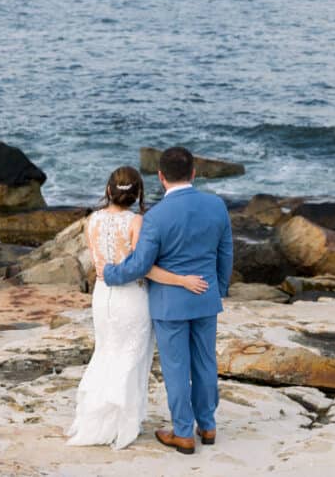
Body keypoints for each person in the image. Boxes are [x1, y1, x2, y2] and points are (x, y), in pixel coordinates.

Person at [66, 165, 208, 450]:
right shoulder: (137, 222)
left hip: (103, 295)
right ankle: (123, 425)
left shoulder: (91, 220)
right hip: (131, 298)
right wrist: (182, 280)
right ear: (138, 194)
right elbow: (144, 270)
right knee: (130, 359)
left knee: (106, 352)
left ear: (108, 191)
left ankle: (97, 421)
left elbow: (101, 264)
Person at [102, 147, 233, 455]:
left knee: (176, 367)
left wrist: (109, 273)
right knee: (205, 362)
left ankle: (183, 432)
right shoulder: (217, 206)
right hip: (205, 297)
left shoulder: (156, 216)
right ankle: (208, 425)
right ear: (194, 173)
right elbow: (226, 253)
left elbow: (139, 265)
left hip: (169, 304)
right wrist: (219, 288)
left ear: (160, 177)